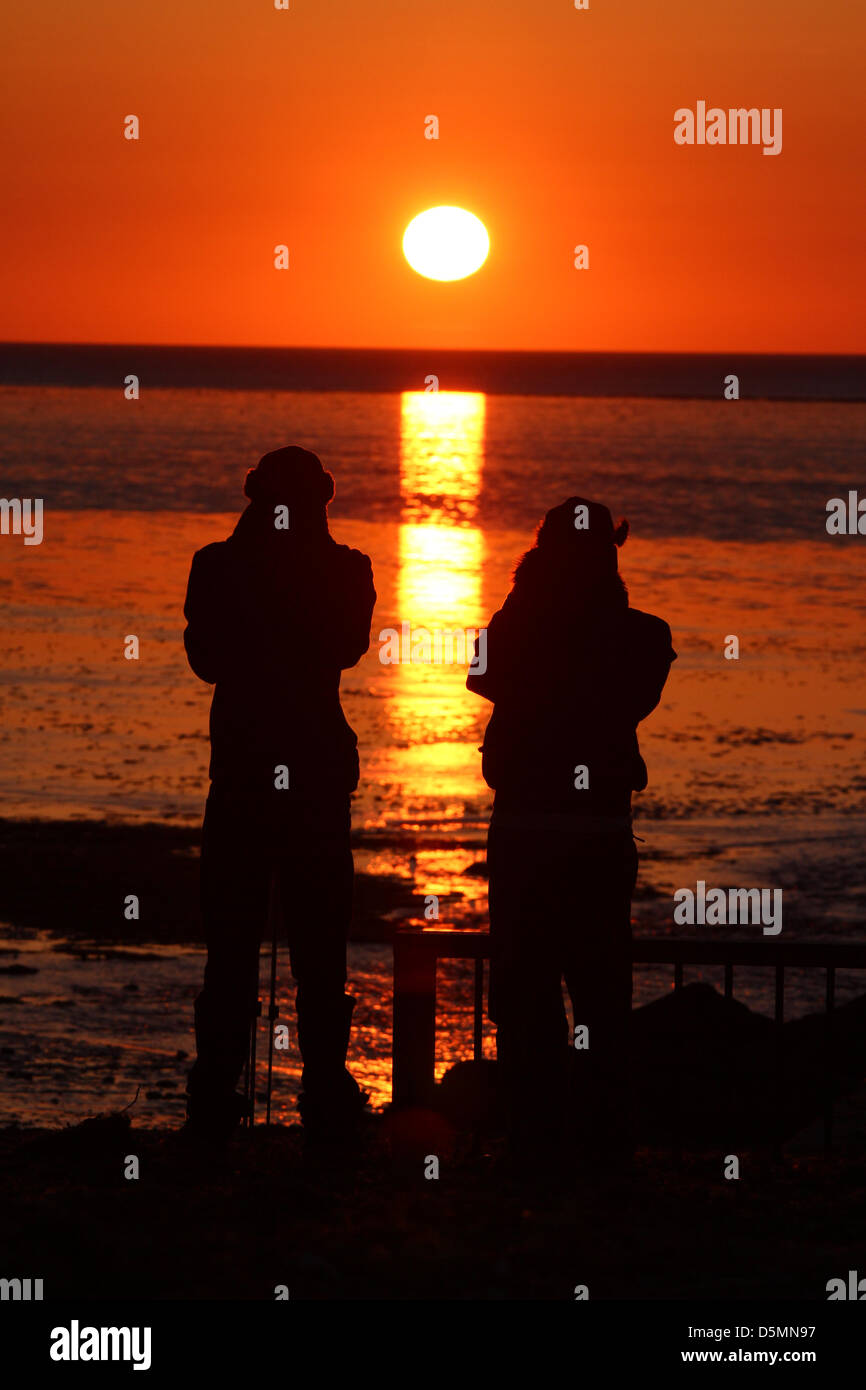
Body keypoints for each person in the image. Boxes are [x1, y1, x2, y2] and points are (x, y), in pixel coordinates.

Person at [467, 496, 676, 1171]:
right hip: (599, 837)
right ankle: (604, 1146)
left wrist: (533, 594)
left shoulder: (521, 627)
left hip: (528, 834)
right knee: (599, 994)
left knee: (528, 999)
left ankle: (538, 1144)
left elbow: (484, 671)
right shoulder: (640, 637)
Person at [182, 446, 376, 1144]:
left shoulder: (219, 566)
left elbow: (205, 656)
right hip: (314, 771)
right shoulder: (348, 570)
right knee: (319, 945)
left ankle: (214, 1097)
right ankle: (323, 1091)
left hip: (242, 769)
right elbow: (345, 646)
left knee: (231, 945)